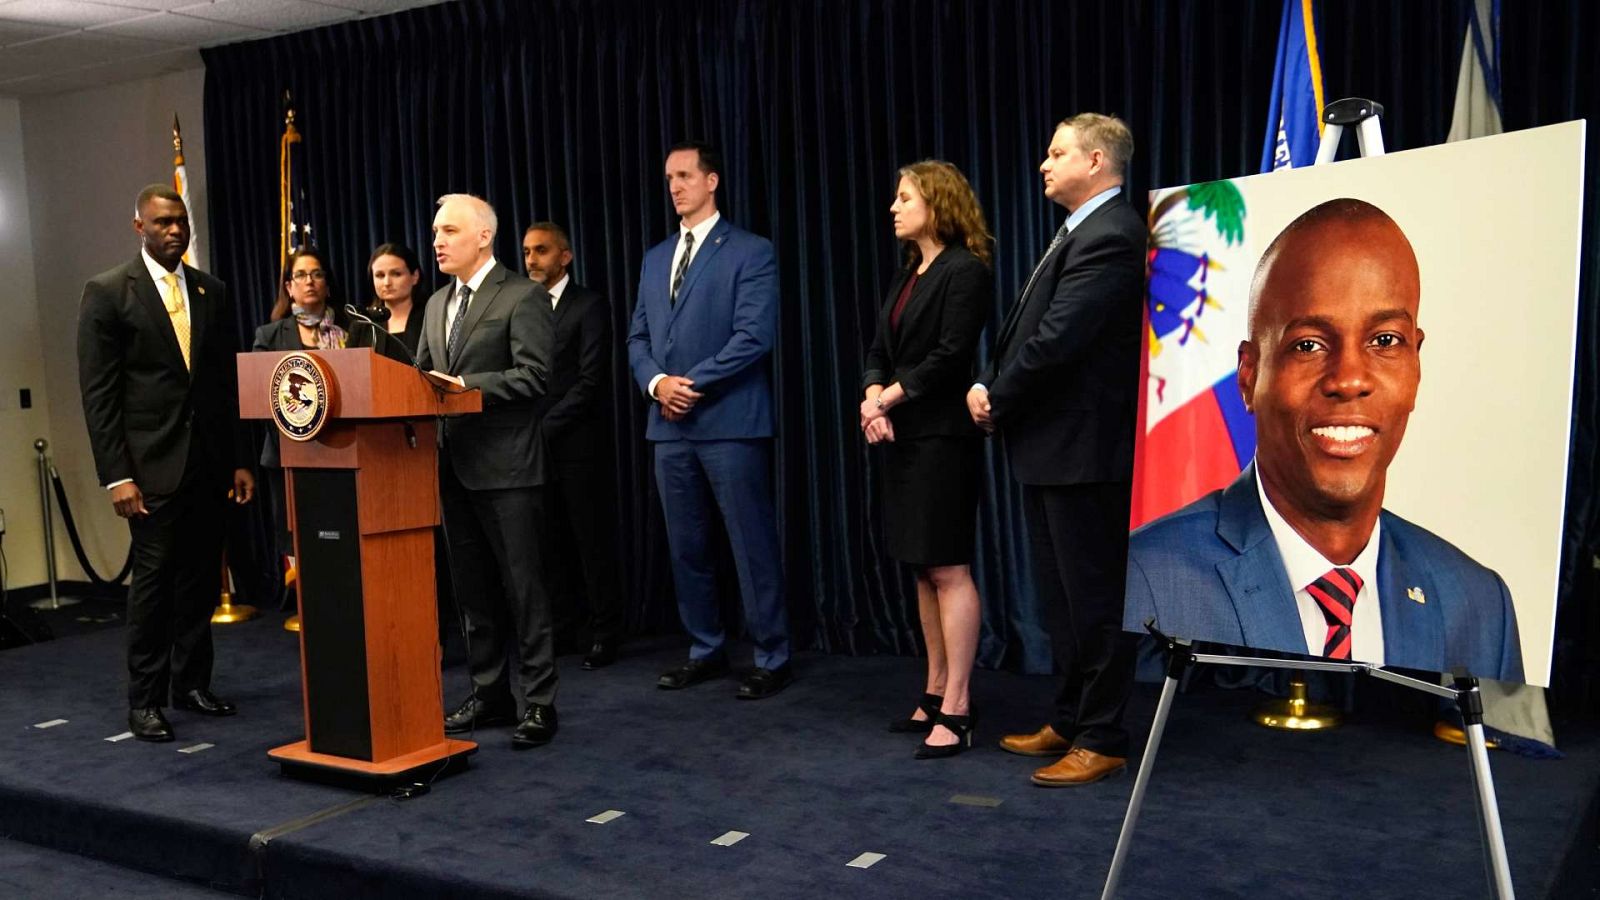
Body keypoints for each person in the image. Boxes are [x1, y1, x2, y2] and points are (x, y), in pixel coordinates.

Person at [1124, 198, 1523, 682]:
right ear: (1249, 376)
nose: (1350, 379)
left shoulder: (1481, 605)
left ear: (1416, 364)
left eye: (1384, 341)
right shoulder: (1146, 580)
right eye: (1308, 345)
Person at [967, 114, 1145, 787]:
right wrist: (994, 384)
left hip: (1085, 449)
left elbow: (1060, 339)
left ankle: (1103, 735)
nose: (1043, 164)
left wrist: (996, 394)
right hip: (1052, 447)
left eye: (1056, 152)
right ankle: (1070, 718)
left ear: (1096, 160)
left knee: (1095, 600)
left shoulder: (1113, 234)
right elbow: (1032, 332)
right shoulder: (1081, 231)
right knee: (1063, 602)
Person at [76, 184, 255, 742]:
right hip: (148, 472)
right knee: (153, 587)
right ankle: (146, 700)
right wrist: (117, 475)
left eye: (180, 222)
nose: (174, 231)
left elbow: (225, 385)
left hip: (207, 465)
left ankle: (192, 685)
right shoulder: (107, 292)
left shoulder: (211, 289)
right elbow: (99, 394)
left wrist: (239, 461)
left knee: (201, 582)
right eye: (162, 223)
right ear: (139, 227)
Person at [626, 141, 792, 699]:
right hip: (668, 427)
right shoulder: (654, 257)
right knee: (686, 546)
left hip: (730, 422)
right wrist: (657, 384)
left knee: (750, 544)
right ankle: (705, 648)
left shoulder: (750, 251)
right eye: (669, 177)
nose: (674, 186)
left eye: (685, 175)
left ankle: (772, 654)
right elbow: (638, 338)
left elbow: (753, 336)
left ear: (712, 180)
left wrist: (689, 385)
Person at [415, 194, 559, 748]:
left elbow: (535, 377)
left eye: (449, 231)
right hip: (450, 466)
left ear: (483, 236)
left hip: (508, 469)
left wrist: (467, 389)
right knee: (472, 592)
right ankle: (491, 694)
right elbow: (422, 375)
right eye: (434, 232)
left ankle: (541, 703)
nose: (437, 241)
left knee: (525, 591)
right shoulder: (434, 304)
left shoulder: (522, 296)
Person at [859, 160, 992, 758]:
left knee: (948, 567)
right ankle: (934, 689)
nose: (894, 206)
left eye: (904, 196)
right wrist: (871, 397)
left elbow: (950, 355)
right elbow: (877, 349)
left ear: (935, 204)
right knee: (918, 566)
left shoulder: (965, 271)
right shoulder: (910, 271)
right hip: (900, 437)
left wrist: (887, 397)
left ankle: (960, 707)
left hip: (941, 439)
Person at [522, 222, 624, 670]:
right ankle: (563, 628)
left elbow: (590, 381)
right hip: (530, 448)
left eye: (540, 250)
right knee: (549, 544)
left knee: (590, 541)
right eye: (526, 251)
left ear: (564, 256)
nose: (530, 260)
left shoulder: (589, 305)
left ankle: (605, 632)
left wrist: (545, 426)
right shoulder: (522, 306)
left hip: (577, 444)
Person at [254, 248, 348, 555]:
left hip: (343, 452)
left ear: (327, 283)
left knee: (339, 541)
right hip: (288, 454)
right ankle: (303, 603)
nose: (309, 281)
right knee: (299, 544)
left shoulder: (350, 330)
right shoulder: (269, 336)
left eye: (317, 274)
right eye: (301, 275)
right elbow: (259, 394)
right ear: (288, 286)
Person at [369, 242, 427, 354]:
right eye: (380, 275)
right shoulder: (363, 322)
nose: (387, 283)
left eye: (396, 274)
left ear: (415, 276)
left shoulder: (430, 318)